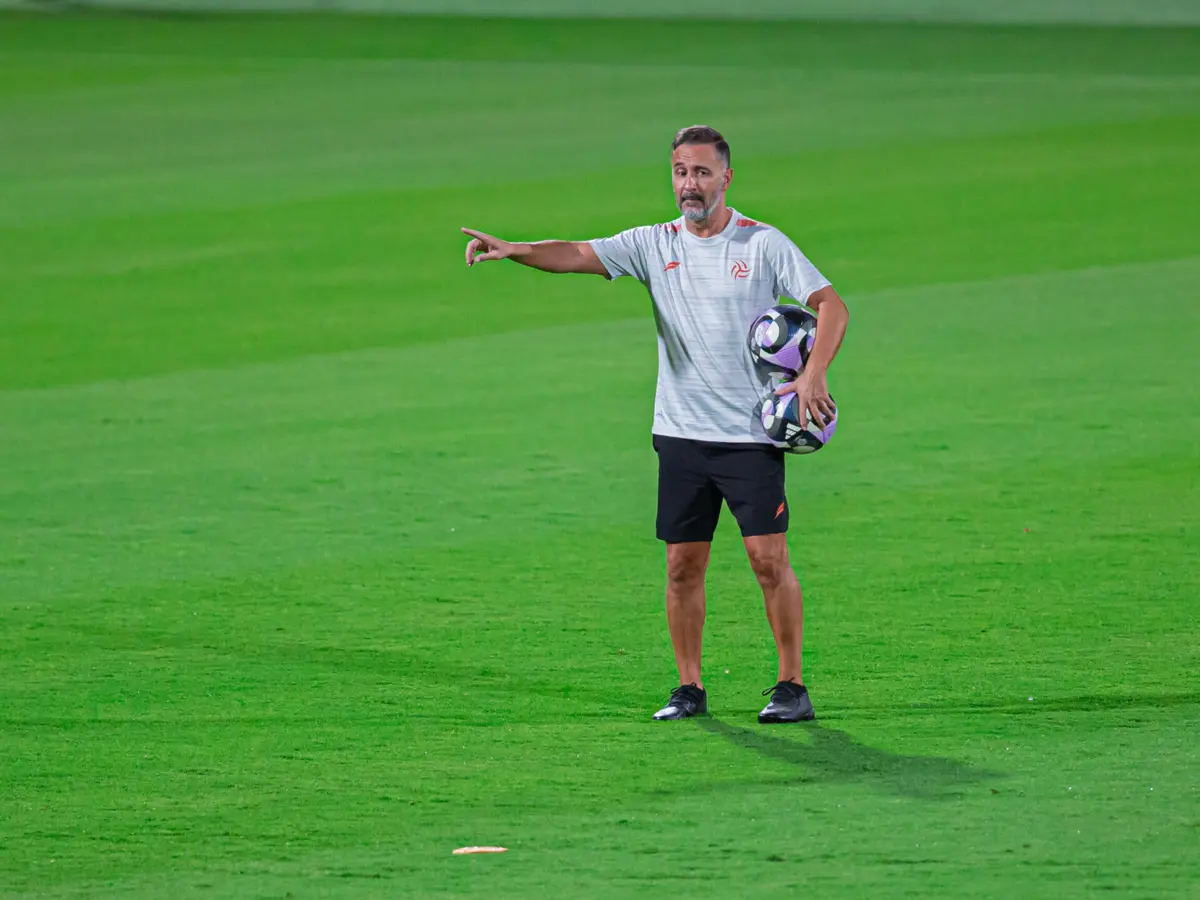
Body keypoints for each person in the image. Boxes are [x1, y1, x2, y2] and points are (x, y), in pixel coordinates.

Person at [461, 125, 849, 723]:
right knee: (681, 565)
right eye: (679, 172)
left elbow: (831, 306)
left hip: (748, 438)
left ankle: (791, 686)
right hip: (681, 436)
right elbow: (577, 253)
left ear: (726, 177)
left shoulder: (762, 244)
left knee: (769, 562)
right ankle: (689, 688)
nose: (688, 185)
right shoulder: (652, 243)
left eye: (700, 173)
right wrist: (517, 250)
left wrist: (812, 374)